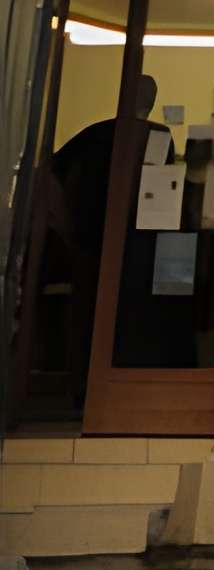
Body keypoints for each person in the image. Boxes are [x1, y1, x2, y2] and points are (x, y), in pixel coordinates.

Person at [46, 73, 176, 398]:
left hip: (90, 238)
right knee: (124, 316)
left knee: (88, 314)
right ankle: (111, 389)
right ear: (151, 102)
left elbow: (50, 174)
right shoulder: (157, 137)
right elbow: (163, 192)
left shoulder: (95, 135)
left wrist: (65, 225)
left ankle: (82, 389)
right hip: (134, 243)